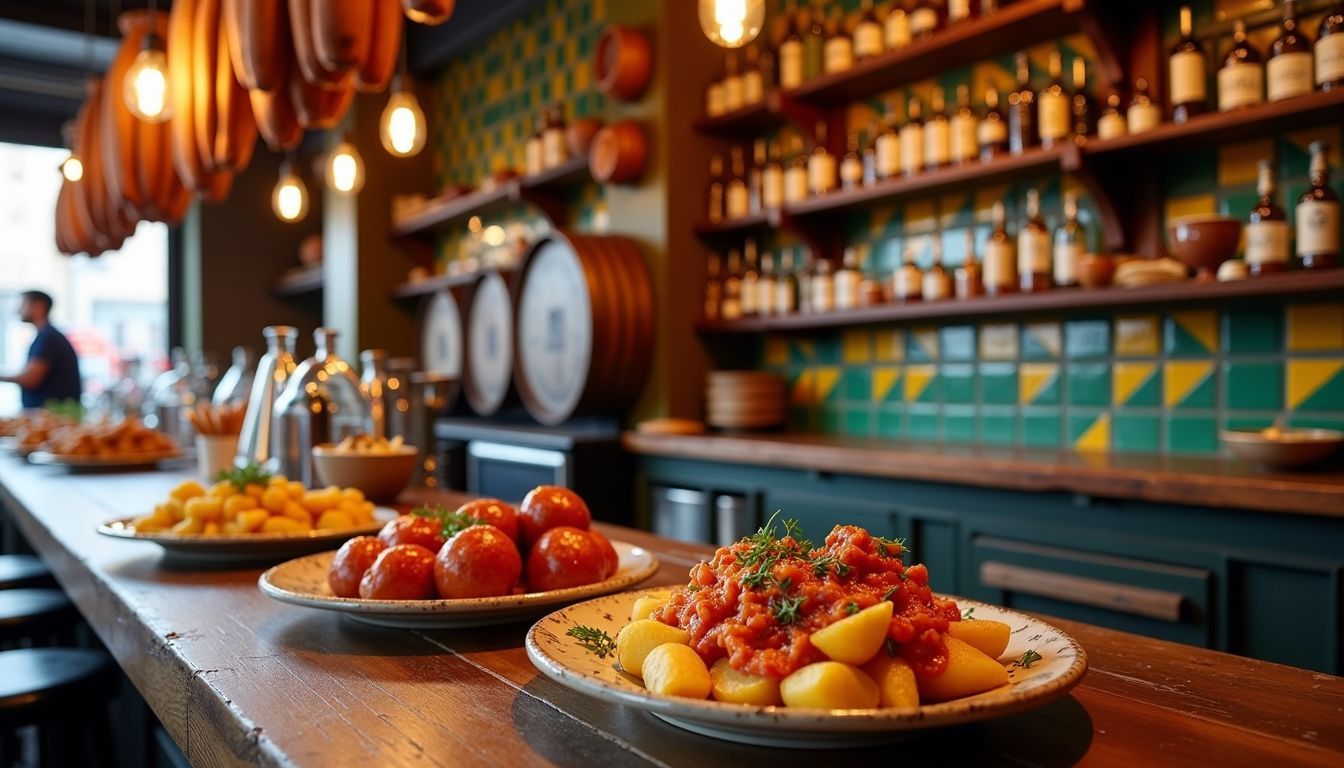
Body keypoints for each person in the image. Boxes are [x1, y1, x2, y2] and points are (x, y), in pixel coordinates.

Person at [1, 290, 82, 408]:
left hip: (53, 418)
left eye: (23, 304)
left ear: (39, 306)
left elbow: (30, 379)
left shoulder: (49, 338)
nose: (18, 310)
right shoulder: (46, 336)